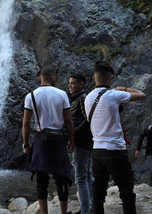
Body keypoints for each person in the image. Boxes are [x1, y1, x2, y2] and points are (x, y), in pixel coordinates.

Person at [84, 61, 146, 214]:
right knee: (126, 192)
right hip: (115, 150)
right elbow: (142, 95)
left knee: (98, 192)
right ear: (110, 79)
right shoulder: (114, 94)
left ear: (94, 78)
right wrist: (123, 88)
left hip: (97, 150)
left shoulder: (88, 98)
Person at [22, 66, 76, 214]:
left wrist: (26, 144)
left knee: (41, 179)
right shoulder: (62, 94)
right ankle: (63, 212)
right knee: (62, 177)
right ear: (53, 77)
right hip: (58, 138)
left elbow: (26, 123)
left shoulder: (31, 96)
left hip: (41, 138)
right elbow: (68, 120)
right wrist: (72, 140)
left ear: (40, 78)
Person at [69, 73, 93, 214]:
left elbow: (88, 120)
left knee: (81, 177)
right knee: (87, 174)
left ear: (81, 84)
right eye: (69, 83)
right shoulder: (76, 99)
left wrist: (73, 133)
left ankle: (85, 210)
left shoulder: (83, 99)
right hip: (82, 142)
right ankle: (91, 206)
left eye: (72, 83)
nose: (70, 86)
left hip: (83, 143)